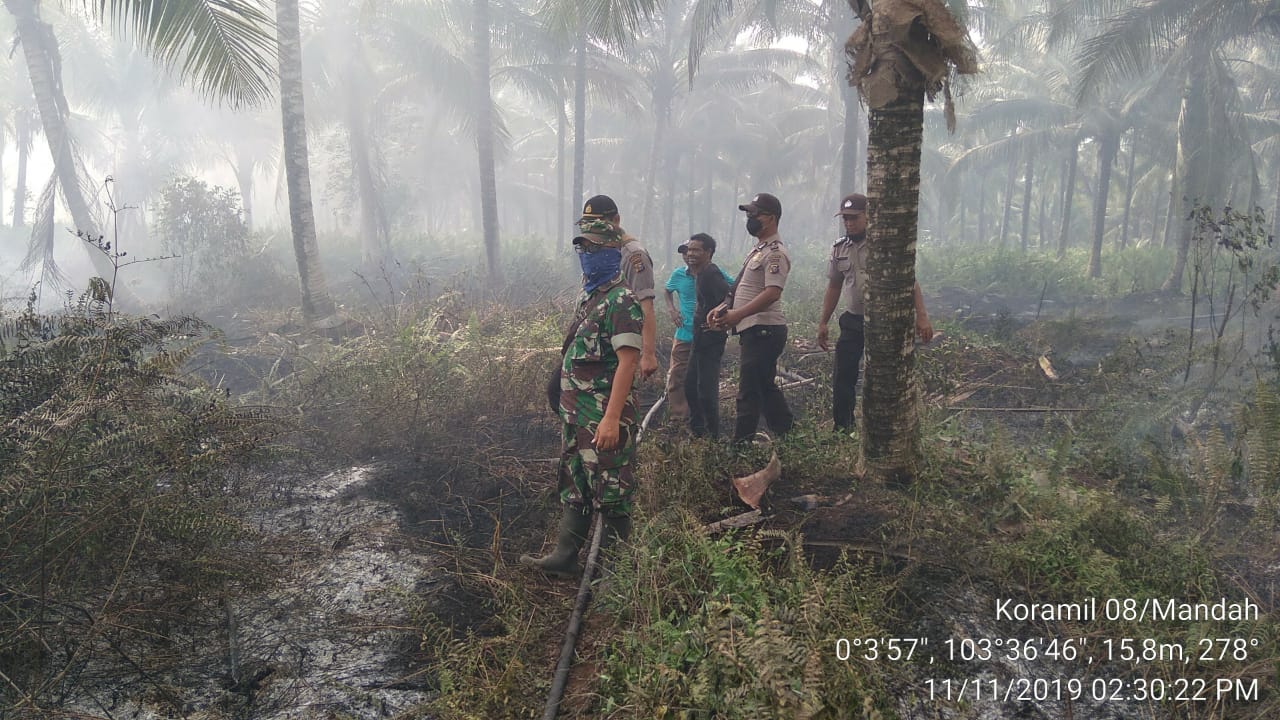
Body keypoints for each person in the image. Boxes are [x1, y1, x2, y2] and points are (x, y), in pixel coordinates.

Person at [520, 220, 644, 578]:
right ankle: (565, 556)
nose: (586, 256)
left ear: (611, 250)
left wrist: (611, 418)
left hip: (603, 416)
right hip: (576, 415)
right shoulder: (591, 295)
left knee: (612, 490)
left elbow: (628, 362)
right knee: (575, 483)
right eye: (582, 249)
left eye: (593, 248)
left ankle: (612, 574)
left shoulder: (622, 300)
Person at [817, 193, 933, 433]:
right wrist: (823, 322)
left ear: (869, 216)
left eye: (854, 218)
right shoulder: (839, 248)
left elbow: (910, 282)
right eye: (845, 218)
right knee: (843, 376)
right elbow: (834, 286)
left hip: (883, 323)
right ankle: (843, 429)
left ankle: (888, 429)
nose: (849, 223)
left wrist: (921, 317)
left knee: (885, 378)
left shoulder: (885, 246)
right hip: (852, 320)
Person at [707, 192, 794, 443]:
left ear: (771, 218)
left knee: (748, 390)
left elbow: (772, 293)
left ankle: (740, 446)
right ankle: (788, 435)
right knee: (765, 386)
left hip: (765, 329)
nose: (750, 218)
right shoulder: (758, 249)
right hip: (755, 329)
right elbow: (742, 287)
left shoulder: (776, 253)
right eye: (748, 214)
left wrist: (737, 315)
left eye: (754, 214)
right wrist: (724, 306)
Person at [580, 195, 659, 380]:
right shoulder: (591, 250)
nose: (591, 229)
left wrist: (648, 355)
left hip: (618, 340)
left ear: (616, 220)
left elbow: (645, 304)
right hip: (593, 342)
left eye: (599, 223)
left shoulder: (633, 255)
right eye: (587, 223)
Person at [681, 233, 734, 438]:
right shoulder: (700, 273)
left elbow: (728, 298)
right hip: (700, 339)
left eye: (696, 250)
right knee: (690, 385)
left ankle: (713, 437)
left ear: (708, 253)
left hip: (711, 340)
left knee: (706, 390)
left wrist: (717, 322)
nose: (690, 254)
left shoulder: (711, 274)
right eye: (689, 250)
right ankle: (698, 431)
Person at [661, 249, 697, 424]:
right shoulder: (678, 274)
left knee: (700, 375)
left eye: (691, 251)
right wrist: (672, 310)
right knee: (676, 373)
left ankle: (700, 415)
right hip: (683, 333)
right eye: (684, 253)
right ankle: (679, 416)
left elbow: (732, 287)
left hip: (706, 336)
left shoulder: (712, 273)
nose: (688, 256)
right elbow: (667, 291)